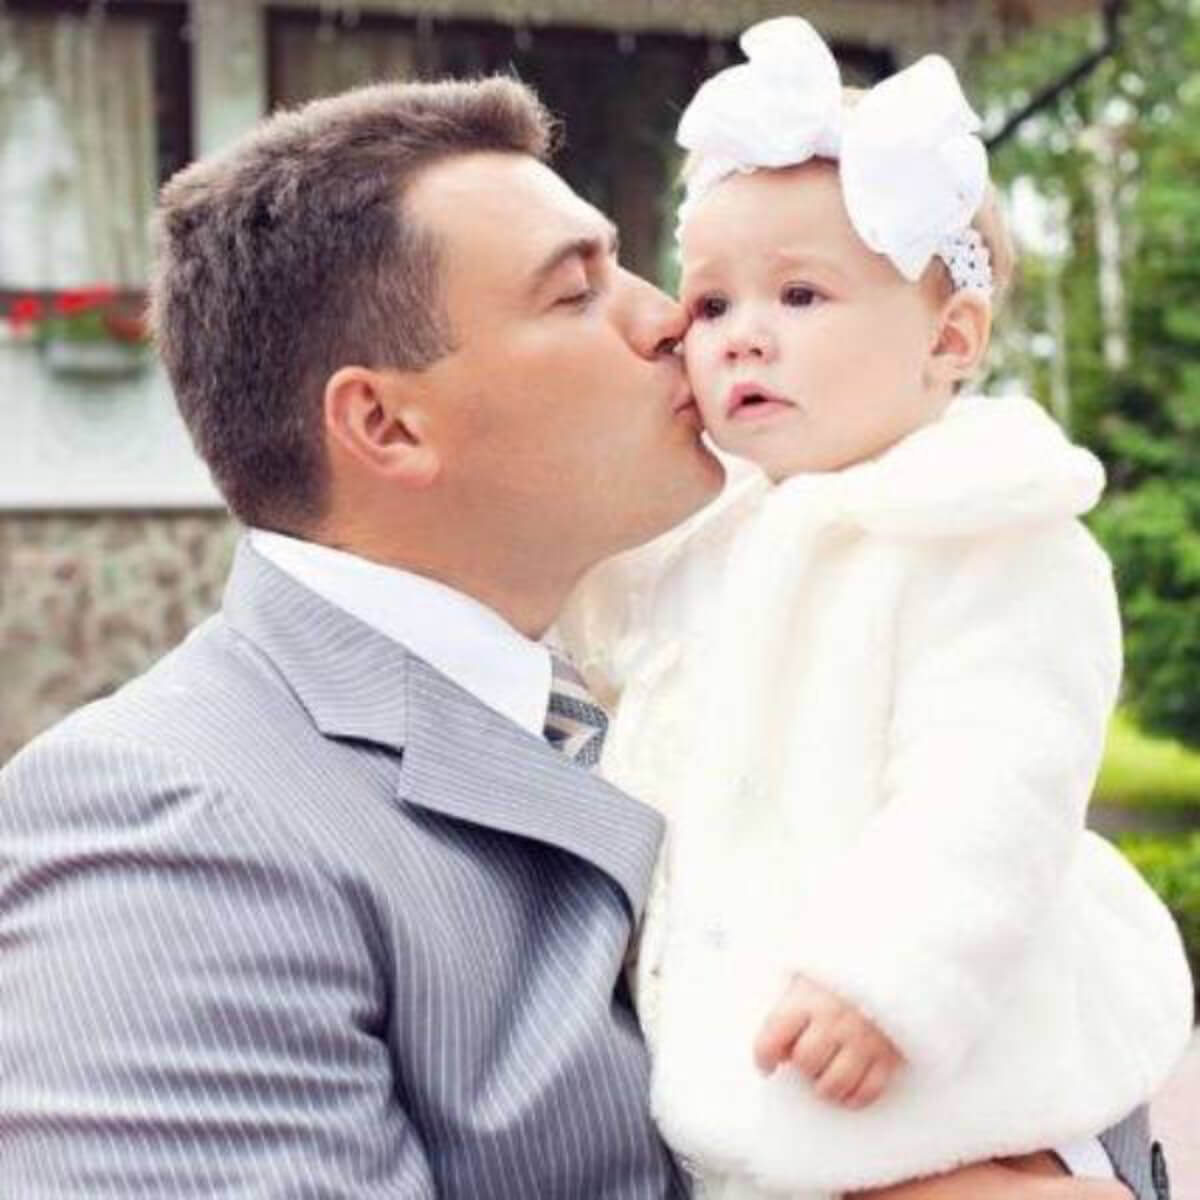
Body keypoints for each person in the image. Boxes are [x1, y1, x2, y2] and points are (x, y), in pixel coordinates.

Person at [0, 73, 1158, 1199]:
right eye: (577, 290)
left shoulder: (644, 658)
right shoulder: (169, 829)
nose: (672, 323)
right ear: (387, 424)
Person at [555, 17, 1192, 1200]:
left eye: (801, 294)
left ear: (948, 339)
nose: (744, 333)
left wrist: (893, 972)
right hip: (750, 1049)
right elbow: (593, 623)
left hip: (938, 1058)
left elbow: (994, 783)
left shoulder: (990, 533)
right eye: (709, 306)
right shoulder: (713, 527)